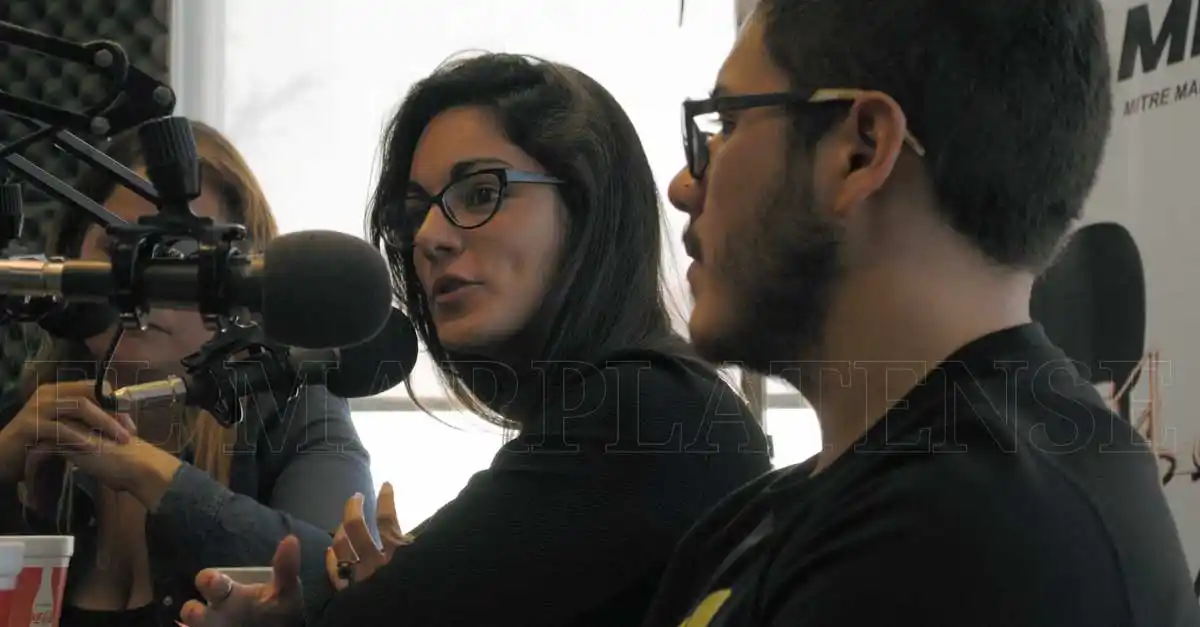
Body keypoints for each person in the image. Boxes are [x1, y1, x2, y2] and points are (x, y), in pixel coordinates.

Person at [640, 1, 1199, 626]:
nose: (684, 187)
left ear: (860, 150)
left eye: (726, 124)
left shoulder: (969, 533)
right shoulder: (791, 516)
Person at [180, 52, 772, 627]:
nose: (431, 237)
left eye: (480, 194)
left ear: (587, 205)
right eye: (415, 213)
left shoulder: (650, 411)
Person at [0, 120, 376, 627]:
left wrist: (147, 471)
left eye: (178, 259)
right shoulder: (22, 416)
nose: (144, 286)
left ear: (247, 287)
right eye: (118, 250)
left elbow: (349, 578)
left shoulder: (299, 408)